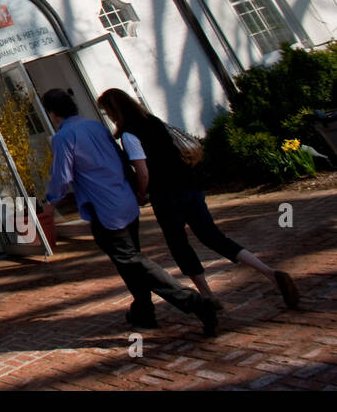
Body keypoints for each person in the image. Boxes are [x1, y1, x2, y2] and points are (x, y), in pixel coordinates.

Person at [97, 88, 300, 310]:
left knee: (179, 244)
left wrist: (140, 194)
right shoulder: (153, 122)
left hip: (166, 195)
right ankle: (269, 273)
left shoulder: (129, 134)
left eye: (108, 112)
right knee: (212, 236)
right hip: (189, 185)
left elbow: (143, 172)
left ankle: (207, 295)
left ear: (115, 110)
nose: (109, 116)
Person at [39, 88, 219, 334]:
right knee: (130, 261)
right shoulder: (96, 127)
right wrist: (136, 190)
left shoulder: (64, 137)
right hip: (125, 200)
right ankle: (144, 310)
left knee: (133, 260)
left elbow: (61, 176)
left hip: (105, 210)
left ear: (52, 113)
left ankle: (196, 303)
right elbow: (121, 159)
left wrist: (49, 204)